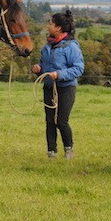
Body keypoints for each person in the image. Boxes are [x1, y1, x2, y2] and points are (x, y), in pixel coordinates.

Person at [31, 10, 85, 159]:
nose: (48, 25)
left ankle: (69, 149)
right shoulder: (47, 46)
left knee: (61, 120)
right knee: (49, 121)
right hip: (49, 87)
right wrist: (38, 69)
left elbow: (78, 68)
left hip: (66, 88)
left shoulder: (71, 47)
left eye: (51, 23)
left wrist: (59, 74)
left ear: (59, 28)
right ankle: (51, 152)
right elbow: (44, 64)